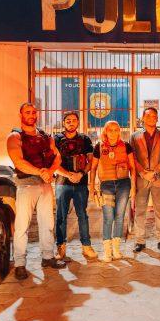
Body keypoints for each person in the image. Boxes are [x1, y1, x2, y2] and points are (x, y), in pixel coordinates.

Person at [6, 102, 67, 281]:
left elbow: (57, 157)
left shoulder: (45, 136)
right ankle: (19, 264)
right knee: (22, 226)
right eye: (27, 112)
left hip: (45, 185)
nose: (31, 115)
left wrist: (50, 171)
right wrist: (41, 172)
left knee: (47, 223)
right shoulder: (14, 137)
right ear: (21, 115)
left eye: (34, 112)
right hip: (26, 185)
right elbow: (19, 162)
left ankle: (47, 257)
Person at [89, 120, 136, 262]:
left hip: (123, 184)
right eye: (110, 130)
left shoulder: (126, 146)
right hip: (106, 185)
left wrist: (133, 187)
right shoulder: (99, 146)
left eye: (116, 130)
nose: (114, 132)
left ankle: (116, 250)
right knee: (108, 217)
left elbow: (132, 167)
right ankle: (107, 252)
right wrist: (92, 186)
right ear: (106, 131)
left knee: (120, 217)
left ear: (119, 132)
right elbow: (93, 168)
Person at [53, 111, 97, 262]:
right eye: (68, 120)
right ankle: (61, 247)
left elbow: (90, 162)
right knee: (61, 216)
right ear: (63, 123)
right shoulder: (56, 139)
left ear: (78, 122)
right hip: (62, 183)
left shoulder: (85, 139)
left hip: (80, 183)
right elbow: (53, 163)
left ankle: (86, 246)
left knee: (82, 215)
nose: (71, 122)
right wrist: (68, 174)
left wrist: (81, 173)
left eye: (74, 120)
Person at [130, 107, 160, 253]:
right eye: (148, 116)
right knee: (140, 211)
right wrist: (143, 173)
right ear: (143, 118)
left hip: (158, 178)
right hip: (141, 180)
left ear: (157, 118)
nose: (151, 118)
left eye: (154, 116)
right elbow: (132, 158)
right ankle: (139, 241)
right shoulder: (134, 136)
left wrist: (154, 172)